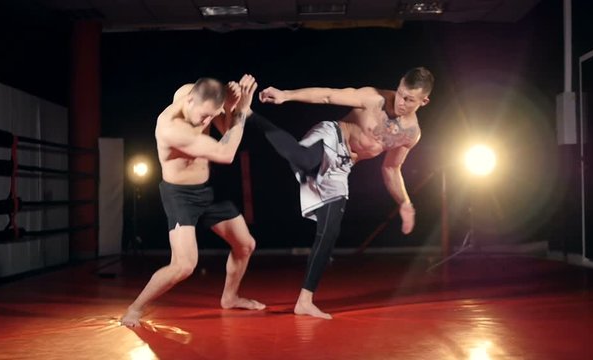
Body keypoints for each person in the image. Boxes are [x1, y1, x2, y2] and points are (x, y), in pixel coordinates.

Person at [255, 67, 434, 319]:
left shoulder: (411, 134)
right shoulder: (374, 98)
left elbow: (392, 168)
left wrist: (404, 202)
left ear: (424, 101)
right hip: (331, 136)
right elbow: (328, 95)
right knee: (305, 160)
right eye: (401, 94)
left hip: (342, 166)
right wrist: (286, 95)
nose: (401, 102)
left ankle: (304, 301)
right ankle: (249, 115)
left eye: (410, 99)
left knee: (330, 231)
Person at [120, 75, 264, 327]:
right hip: (181, 196)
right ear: (189, 100)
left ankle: (229, 298)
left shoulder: (201, 102)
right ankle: (134, 309)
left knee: (245, 245)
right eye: (204, 116)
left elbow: (224, 130)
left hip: (207, 189)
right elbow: (227, 152)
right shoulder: (170, 127)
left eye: (212, 114)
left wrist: (229, 108)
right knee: (184, 265)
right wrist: (240, 112)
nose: (207, 120)